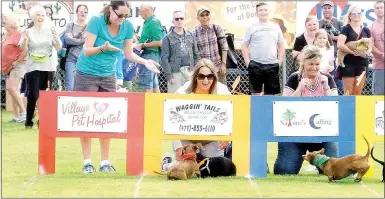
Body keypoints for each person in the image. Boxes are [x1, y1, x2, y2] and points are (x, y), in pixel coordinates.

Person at [74, 1, 160, 174]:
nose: (122, 19)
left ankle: (105, 162)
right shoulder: (97, 21)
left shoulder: (127, 27)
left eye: (126, 16)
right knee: (86, 117)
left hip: (108, 75)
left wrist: (145, 62)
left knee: (106, 118)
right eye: (119, 15)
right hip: (86, 73)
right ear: (111, 10)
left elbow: (128, 54)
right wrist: (102, 48)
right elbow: (87, 50)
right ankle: (87, 162)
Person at [274, 45, 338, 175]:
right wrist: (299, 89)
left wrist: (326, 88)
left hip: (323, 134)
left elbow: (336, 105)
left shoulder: (328, 79)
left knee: (334, 170)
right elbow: (283, 106)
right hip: (295, 134)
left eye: (317, 64)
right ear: (303, 62)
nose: (314, 68)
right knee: (284, 172)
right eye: (310, 64)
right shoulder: (294, 78)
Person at [161, 58, 231, 171]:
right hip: (187, 138)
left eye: (210, 76)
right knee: (185, 169)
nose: (206, 80)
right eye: (201, 76)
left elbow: (231, 115)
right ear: (195, 77)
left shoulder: (222, 91)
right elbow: (171, 120)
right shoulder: (182, 92)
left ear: (214, 77)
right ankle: (167, 163)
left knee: (211, 169)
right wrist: (178, 146)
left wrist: (227, 138)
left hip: (211, 139)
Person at [19, 6, 62, 128]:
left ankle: (43, 121)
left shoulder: (50, 30)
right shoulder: (28, 31)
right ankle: (28, 121)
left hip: (48, 66)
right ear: (33, 17)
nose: (40, 17)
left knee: (46, 96)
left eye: (43, 15)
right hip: (33, 66)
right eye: (38, 15)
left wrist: (56, 38)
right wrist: (25, 40)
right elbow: (21, 47)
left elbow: (58, 47)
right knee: (33, 94)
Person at [241, 2, 285, 95]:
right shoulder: (251, 27)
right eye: (261, 10)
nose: (263, 12)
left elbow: (281, 45)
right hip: (255, 64)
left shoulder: (275, 27)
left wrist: (279, 61)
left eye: (265, 10)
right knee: (256, 94)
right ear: (256, 13)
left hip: (272, 64)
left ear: (269, 12)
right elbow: (244, 45)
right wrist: (248, 63)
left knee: (271, 95)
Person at [161, 10, 200, 93]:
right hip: (175, 73)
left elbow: (196, 54)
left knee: (191, 98)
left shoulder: (191, 35)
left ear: (184, 20)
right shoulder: (167, 38)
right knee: (175, 98)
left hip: (190, 71)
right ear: (173, 21)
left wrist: (196, 72)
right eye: (177, 19)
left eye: (181, 18)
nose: (179, 21)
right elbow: (164, 58)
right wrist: (169, 76)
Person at [337, 6, 372, 95]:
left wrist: (366, 53)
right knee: (348, 92)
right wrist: (353, 52)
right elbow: (340, 45)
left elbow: (371, 46)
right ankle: (346, 109)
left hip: (362, 64)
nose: (357, 15)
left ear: (361, 15)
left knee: (358, 92)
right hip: (348, 64)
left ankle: (357, 109)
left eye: (359, 13)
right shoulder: (346, 28)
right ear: (350, 16)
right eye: (354, 13)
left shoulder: (366, 30)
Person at [1, 12, 27, 123]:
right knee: (11, 90)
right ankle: (17, 116)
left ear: (11, 23)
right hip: (8, 67)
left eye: (4, 21)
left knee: (12, 88)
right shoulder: (6, 34)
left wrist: (17, 61)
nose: (2, 23)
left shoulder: (19, 34)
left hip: (18, 65)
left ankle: (24, 113)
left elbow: (24, 49)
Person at [193, 7, 228, 84]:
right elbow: (195, 52)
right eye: (202, 15)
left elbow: (224, 47)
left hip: (218, 69)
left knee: (222, 92)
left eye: (207, 14)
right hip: (204, 72)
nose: (205, 17)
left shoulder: (217, 28)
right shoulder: (194, 32)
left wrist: (223, 64)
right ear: (198, 18)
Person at [134, 4, 163, 93]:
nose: (139, 13)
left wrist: (142, 45)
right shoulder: (148, 22)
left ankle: (147, 106)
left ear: (146, 10)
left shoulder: (153, 21)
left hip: (150, 54)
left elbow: (160, 42)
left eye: (140, 11)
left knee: (147, 83)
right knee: (153, 82)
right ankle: (157, 105)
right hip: (149, 54)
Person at [318, 1, 344, 95]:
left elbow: (345, 38)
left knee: (338, 84)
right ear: (322, 10)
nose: (327, 10)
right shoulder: (318, 23)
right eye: (325, 8)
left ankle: (339, 100)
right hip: (322, 59)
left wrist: (333, 38)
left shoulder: (340, 22)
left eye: (329, 8)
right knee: (322, 83)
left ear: (333, 9)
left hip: (337, 58)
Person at [63, 4, 88, 91]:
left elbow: (91, 42)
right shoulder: (71, 25)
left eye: (85, 12)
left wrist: (74, 38)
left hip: (86, 61)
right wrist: (82, 41)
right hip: (72, 59)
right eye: (81, 11)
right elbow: (68, 40)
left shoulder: (90, 27)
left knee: (84, 88)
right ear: (77, 13)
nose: (83, 14)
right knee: (70, 87)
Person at [370, 1, 384, 95]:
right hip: (379, 66)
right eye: (377, 8)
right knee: (378, 98)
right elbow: (371, 46)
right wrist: (382, 55)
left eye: (381, 7)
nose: (379, 10)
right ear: (374, 10)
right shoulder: (371, 27)